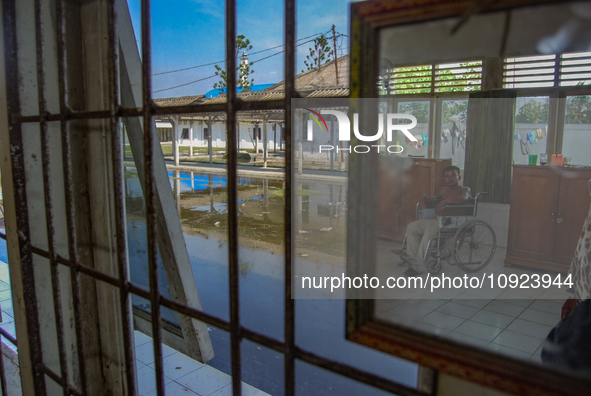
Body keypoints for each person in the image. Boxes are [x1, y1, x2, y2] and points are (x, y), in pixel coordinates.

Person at [403, 166, 471, 276]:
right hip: (439, 220)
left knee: (430, 231)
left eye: (453, 175)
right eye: (447, 176)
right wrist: (423, 198)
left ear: (459, 177)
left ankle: (417, 267)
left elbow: (463, 199)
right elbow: (433, 202)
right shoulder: (443, 190)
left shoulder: (465, 189)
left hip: (453, 222)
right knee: (412, 226)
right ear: (444, 179)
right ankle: (413, 260)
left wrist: (445, 202)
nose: (450, 178)